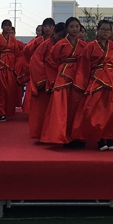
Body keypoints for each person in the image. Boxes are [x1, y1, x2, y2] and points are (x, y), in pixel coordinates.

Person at [71, 20, 113, 151]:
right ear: (98, 30)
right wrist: (82, 83)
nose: (105, 32)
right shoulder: (90, 46)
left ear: (112, 32)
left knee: (111, 110)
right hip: (96, 79)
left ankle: (109, 137)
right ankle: (99, 138)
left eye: (108, 30)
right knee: (95, 110)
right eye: (103, 29)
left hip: (112, 80)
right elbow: (84, 65)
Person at [41, 17, 88, 148]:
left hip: (79, 77)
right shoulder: (60, 44)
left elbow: (88, 63)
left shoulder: (85, 45)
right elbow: (50, 61)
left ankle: (77, 136)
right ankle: (62, 137)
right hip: (63, 77)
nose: (75, 29)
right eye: (71, 27)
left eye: (77, 26)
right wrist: (53, 79)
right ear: (67, 29)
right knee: (62, 107)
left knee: (77, 107)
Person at [28, 22, 66, 139]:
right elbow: (35, 60)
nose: (61, 39)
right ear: (55, 33)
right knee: (42, 109)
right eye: (60, 36)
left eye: (63, 37)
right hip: (46, 79)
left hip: (61, 77)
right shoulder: (45, 44)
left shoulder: (65, 44)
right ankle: (42, 133)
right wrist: (43, 78)